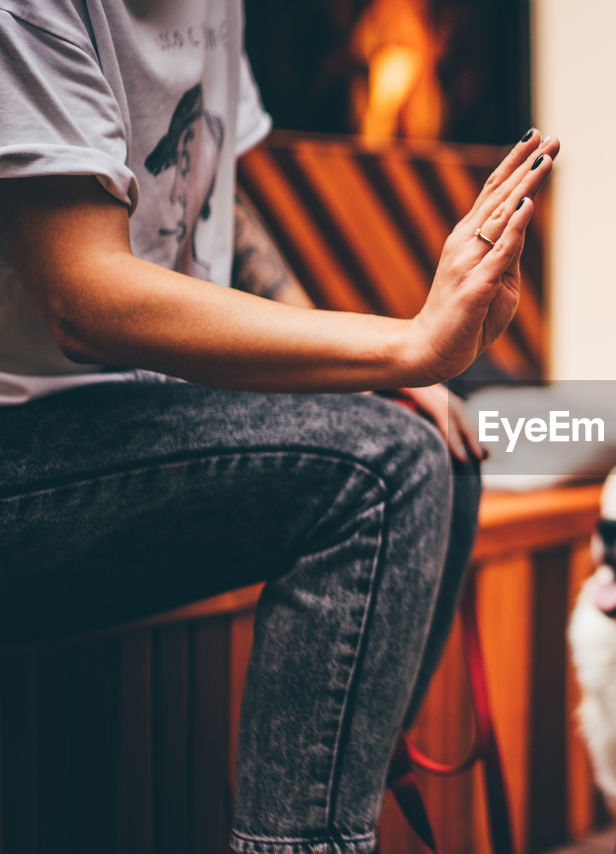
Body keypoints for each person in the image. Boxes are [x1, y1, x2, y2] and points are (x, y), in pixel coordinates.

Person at [0, 2, 557, 852]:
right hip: (24, 446)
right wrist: (399, 346)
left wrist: (371, 375)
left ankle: (336, 792)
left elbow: (215, 190)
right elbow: (86, 299)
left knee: (440, 441)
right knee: (385, 466)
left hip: (132, 407)